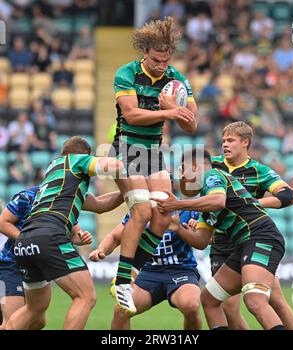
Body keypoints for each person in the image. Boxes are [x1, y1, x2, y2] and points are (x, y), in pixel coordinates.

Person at [108, 16, 197, 314]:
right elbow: (131, 115)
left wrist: (177, 110)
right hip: (126, 148)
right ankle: (123, 280)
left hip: (152, 154)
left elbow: (191, 125)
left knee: (163, 214)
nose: (161, 65)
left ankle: (130, 272)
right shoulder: (127, 73)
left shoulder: (177, 80)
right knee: (143, 210)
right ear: (145, 52)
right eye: (156, 60)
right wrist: (170, 114)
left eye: (166, 60)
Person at [154, 149, 292, 330]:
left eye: (182, 170)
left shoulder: (211, 175)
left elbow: (218, 201)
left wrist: (177, 204)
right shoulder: (205, 203)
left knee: (254, 299)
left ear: (193, 167)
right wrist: (177, 227)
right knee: (209, 300)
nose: (181, 177)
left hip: (260, 237)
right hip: (244, 245)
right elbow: (202, 241)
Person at [4, 136, 123, 330]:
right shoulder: (76, 160)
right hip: (49, 234)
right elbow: (114, 165)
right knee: (86, 296)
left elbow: (101, 205)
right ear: (84, 155)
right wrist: (142, 174)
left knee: (35, 309)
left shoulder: (56, 177)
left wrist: (129, 194)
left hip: (25, 240)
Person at [210, 121, 293, 330]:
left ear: (245, 142)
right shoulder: (212, 166)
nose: (225, 145)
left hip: (251, 239)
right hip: (222, 243)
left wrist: (253, 203)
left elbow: (288, 195)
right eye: (223, 141)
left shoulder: (258, 170)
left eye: (230, 140)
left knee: (274, 300)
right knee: (228, 308)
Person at [90, 210, 202, 330]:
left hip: (181, 270)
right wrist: (101, 250)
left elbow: (206, 239)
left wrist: (195, 229)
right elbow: (115, 237)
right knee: (121, 311)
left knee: (191, 306)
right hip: (148, 271)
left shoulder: (187, 211)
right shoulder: (139, 211)